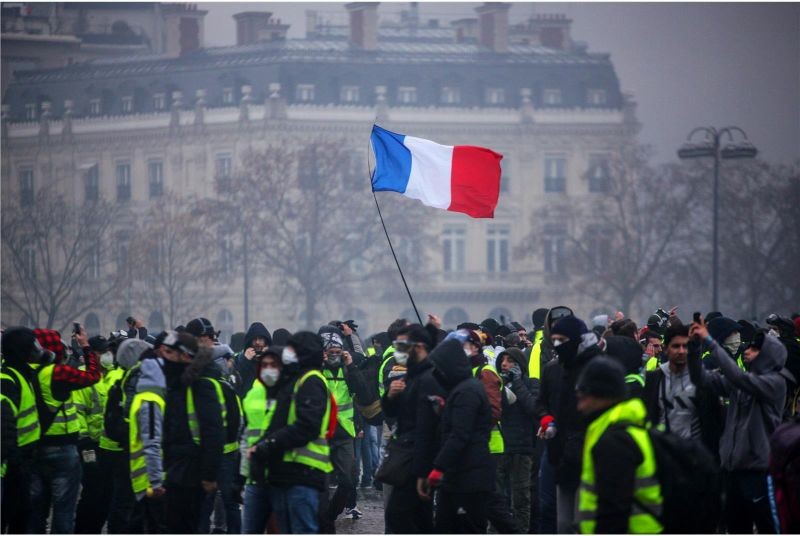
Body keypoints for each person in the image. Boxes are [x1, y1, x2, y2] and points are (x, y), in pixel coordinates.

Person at [688, 321, 786, 534]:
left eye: (754, 348)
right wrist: (694, 348)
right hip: (732, 471)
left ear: (768, 355)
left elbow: (738, 378)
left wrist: (711, 342)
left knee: (767, 528)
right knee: (734, 529)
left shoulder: (775, 384)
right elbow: (701, 378)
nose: (747, 351)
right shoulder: (742, 383)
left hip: (758, 473)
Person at [249, 331, 333, 534]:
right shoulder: (296, 380)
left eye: (292, 349)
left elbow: (307, 426)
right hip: (287, 472)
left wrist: (268, 445)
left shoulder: (311, 380)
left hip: (303, 472)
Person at [574, 357, 663, 534]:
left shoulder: (614, 441)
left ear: (602, 396)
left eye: (583, 394)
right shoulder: (632, 427)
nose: (579, 405)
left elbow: (613, 510)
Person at [29, 327, 100, 534]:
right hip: (62, 448)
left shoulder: (22, 370)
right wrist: (86, 347)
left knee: (36, 511)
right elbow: (92, 375)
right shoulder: (56, 372)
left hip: (33, 446)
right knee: (63, 511)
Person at [426, 339, 494, 533]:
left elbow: (460, 434)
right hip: (461, 475)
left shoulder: (467, 392)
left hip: (469, 478)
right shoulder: (462, 389)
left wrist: (438, 467)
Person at [161, 332, 225, 534]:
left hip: (190, 472)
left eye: (170, 353)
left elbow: (213, 432)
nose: (165, 358)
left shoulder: (200, 385)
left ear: (186, 356)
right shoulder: (174, 384)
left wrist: (208, 475)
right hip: (174, 469)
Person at [381, 324, 441, 533]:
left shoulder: (429, 378)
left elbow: (427, 430)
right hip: (408, 459)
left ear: (419, 347)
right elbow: (394, 411)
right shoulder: (411, 375)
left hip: (415, 463)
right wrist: (390, 395)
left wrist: (422, 473)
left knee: (399, 516)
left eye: (403, 345)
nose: (399, 351)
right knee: (418, 520)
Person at [643, 324, 721, 456]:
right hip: (664, 456)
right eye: (676, 346)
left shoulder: (704, 380)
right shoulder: (654, 379)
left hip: (696, 458)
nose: (681, 351)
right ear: (666, 349)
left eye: (686, 346)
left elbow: (714, 424)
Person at [319, 330, 368, 525]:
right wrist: (317, 363)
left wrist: (351, 365)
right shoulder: (318, 370)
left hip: (345, 432)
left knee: (348, 480)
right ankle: (323, 521)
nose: (334, 355)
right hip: (321, 434)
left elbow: (363, 393)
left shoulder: (347, 370)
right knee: (320, 482)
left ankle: (331, 514)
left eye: (338, 351)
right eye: (330, 351)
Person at [1, 327, 44, 534]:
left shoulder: (23, 374)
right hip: (10, 465)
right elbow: (5, 425)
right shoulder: (8, 379)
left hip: (23, 461)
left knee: (23, 517)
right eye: (31, 347)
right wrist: (15, 461)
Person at [74, 336, 117, 534]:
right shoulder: (82, 376)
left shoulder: (114, 375)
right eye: (102, 351)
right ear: (94, 354)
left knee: (107, 493)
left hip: (109, 446)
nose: (107, 355)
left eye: (109, 350)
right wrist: (85, 446)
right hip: (90, 445)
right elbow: (78, 412)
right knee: (92, 493)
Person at [495, 348, 539, 533]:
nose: (504, 364)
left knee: (521, 499)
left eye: (510, 360)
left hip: (521, 449)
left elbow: (533, 408)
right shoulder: (495, 385)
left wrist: (518, 383)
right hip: (500, 448)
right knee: (497, 499)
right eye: (502, 360)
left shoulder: (530, 383)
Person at [240, 346, 282, 534]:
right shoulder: (252, 394)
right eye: (264, 365)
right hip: (254, 477)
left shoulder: (293, 393)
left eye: (273, 365)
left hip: (282, 477)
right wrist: (240, 476)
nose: (268, 369)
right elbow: (245, 436)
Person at [128, 338, 168, 534]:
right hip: (150, 482)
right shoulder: (151, 401)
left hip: (142, 478)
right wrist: (156, 482)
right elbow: (151, 443)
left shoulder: (141, 397)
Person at [234, 322, 272, 397]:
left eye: (260, 339)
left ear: (266, 341)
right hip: (246, 404)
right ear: (249, 341)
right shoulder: (239, 359)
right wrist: (245, 361)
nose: (257, 342)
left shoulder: (273, 357)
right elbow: (236, 382)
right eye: (254, 339)